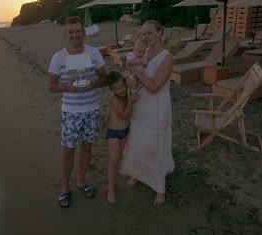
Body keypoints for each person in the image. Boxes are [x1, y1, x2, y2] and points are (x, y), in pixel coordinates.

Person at [48, 16, 107, 208]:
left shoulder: (94, 53)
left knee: (87, 148)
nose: (75, 35)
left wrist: (94, 82)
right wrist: (66, 86)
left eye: (78, 31)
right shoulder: (58, 57)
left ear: (84, 32)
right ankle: (65, 188)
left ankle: (81, 181)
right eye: (71, 32)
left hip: (91, 108)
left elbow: (104, 80)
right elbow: (51, 86)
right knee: (68, 151)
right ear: (66, 34)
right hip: (71, 111)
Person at [120, 20, 175, 205]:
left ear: (160, 33)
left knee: (155, 143)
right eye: (143, 34)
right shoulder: (144, 52)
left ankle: (160, 187)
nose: (146, 37)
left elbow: (154, 86)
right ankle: (138, 173)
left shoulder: (167, 57)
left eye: (150, 33)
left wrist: (134, 69)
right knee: (139, 140)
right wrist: (129, 77)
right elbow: (136, 79)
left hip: (157, 105)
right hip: (141, 105)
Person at [106, 71, 138, 204]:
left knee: (126, 156)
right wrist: (130, 103)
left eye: (122, 86)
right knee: (114, 161)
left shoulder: (127, 93)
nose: (121, 90)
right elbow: (124, 116)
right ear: (112, 90)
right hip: (114, 133)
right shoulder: (113, 99)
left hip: (124, 131)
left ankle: (134, 176)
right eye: (117, 89)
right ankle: (111, 189)